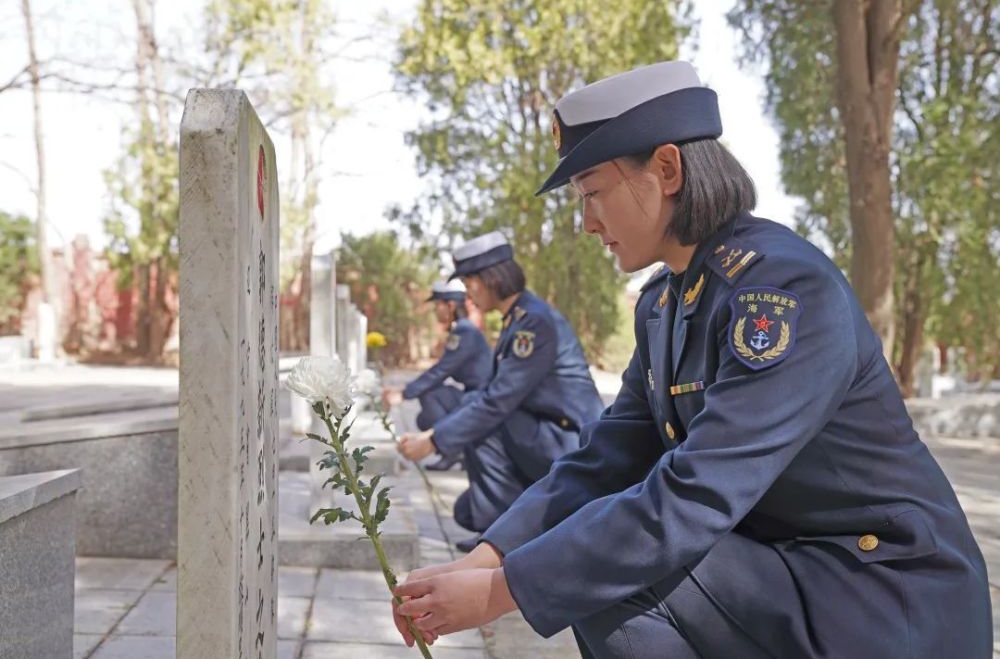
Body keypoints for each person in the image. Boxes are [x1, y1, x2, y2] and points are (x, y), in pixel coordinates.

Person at [390, 61, 993, 658]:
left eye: (593, 192)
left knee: (612, 570)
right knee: (598, 554)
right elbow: (605, 460)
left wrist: (502, 592)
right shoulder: (665, 304)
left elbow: (697, 494)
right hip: (793, 572)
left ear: (668, 168)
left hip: (883, 595)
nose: (586, 222)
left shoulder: (782, 291)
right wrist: (484, 559)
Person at [397, 231, 605, 552]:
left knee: (484, 419)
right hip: (541, 433)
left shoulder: (533, 323)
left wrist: (434, 440)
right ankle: (510, 520)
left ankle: (504, 537)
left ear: (491, 278)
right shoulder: (518, 318)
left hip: (569, 442)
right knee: (465, 509)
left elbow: (497, 401)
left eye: (469, 284)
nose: (468, 295)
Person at [384, 279, 492, 471]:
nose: (436, 312)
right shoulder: (462, 330)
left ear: (450, 306)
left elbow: (441, 371)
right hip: (475, 396)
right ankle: (462, 450)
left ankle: (452, 451)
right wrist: (404, 390)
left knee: (429, 394)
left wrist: (404, 394)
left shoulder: (464, 332)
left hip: (480, 400)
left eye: (438, 306)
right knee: (423, 418)